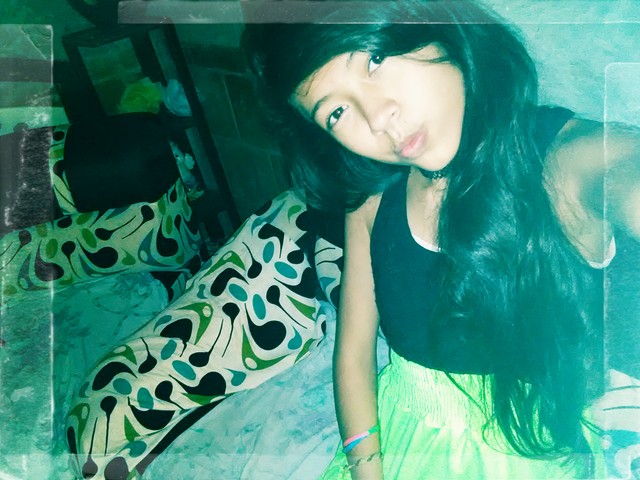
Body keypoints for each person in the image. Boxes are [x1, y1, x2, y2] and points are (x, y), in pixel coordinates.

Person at [242, 0, 640, 478]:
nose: (378, 118)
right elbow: (354, 355)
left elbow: (622, 172)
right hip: (399, 440)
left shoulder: (562, 165)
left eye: (374, 59)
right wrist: (366, 469)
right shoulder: (372, 201)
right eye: (337, 112)